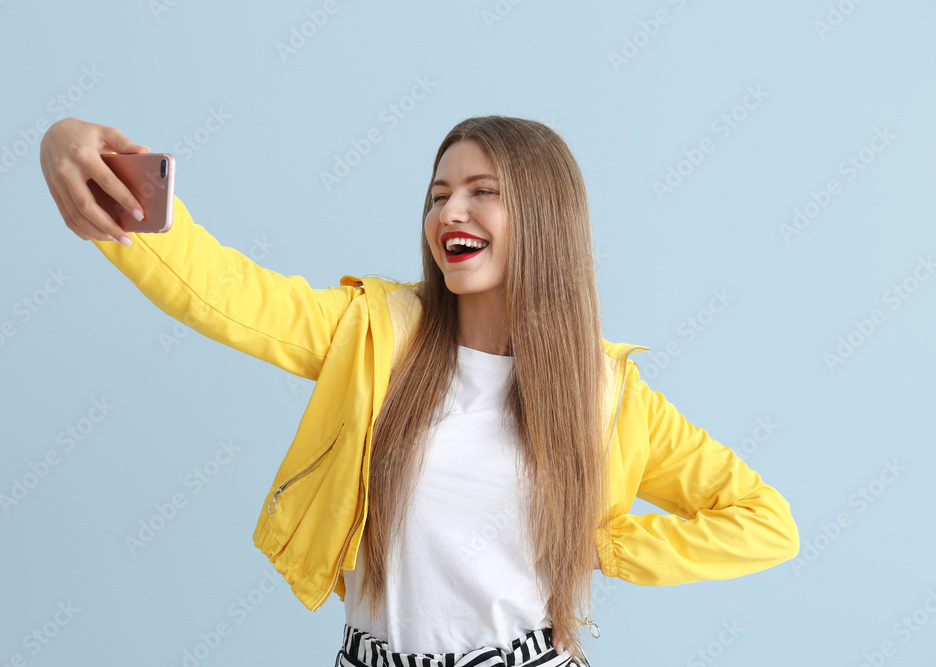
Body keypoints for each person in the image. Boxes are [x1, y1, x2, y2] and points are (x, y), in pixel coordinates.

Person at [40, 115, 801, 667]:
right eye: (438, 194)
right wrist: (70, 151)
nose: (449, 213)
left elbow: (767, 522)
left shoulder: (608, 394)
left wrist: (605, 544)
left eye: (481, 191)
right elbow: (228, 295)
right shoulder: (376, 333)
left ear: (543, 216)